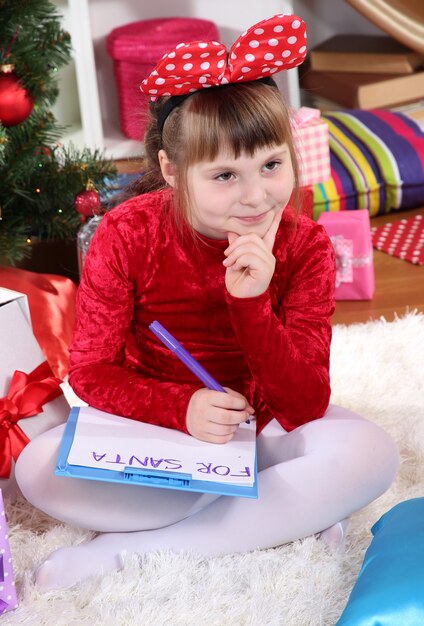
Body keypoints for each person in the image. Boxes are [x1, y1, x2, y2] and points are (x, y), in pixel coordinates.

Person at [15, 14, 399, 592]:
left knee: (372, 453)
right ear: (172, 171)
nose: (255, 196)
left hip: (263, 429)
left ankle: (137, 551)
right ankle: (275, 516)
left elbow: (305, 402)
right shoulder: (126, 233)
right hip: (155, 432)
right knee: (35, 469)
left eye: (271, 165)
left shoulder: (305, 245)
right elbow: (92, 372)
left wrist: (251, 304)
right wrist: (181, 408)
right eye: (224, 175)